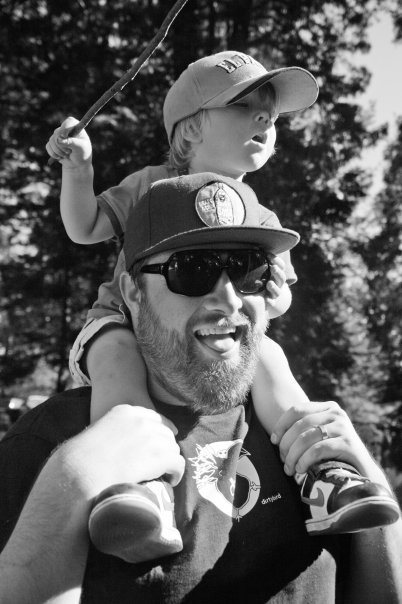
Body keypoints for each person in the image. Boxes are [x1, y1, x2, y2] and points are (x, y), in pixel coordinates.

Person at [45, 51, 397, 564]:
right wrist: (79, 169)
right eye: (245, 106)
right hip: (122, 318)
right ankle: (139, 483)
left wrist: (269, 293)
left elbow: (281, 294)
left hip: (219, 331)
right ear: (190, 129)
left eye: (271, 114)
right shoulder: (151, 184)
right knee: (118, 361)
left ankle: (323, 473)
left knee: (271, 360)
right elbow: (85, 227)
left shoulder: (260, 216)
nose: (265, 119)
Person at [0, 173, 401, 603]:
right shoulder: (48, 444)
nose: (229, 299)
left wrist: (374, 492)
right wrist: (71, 483)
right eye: (191, 270)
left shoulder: (316, 450)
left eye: (250, 270)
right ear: (133, 293)